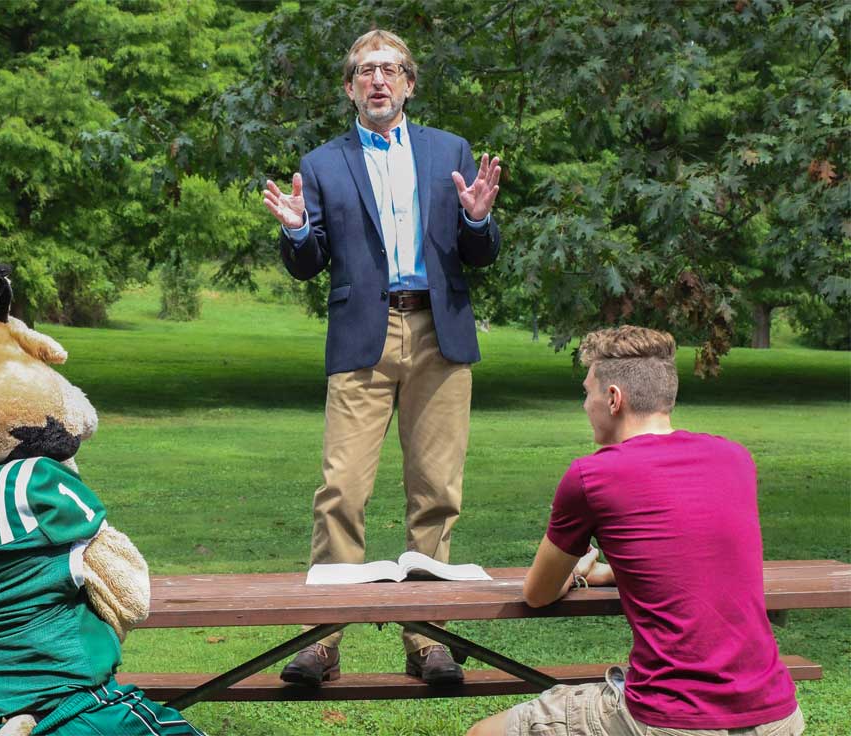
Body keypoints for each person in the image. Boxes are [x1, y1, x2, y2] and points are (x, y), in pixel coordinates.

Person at [262, 29, 502, 686]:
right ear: (349, 86)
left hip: (439, 332)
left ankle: (427, 641)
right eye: (365, 71)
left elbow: (479, 253)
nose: (378, 81)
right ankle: (325, 641)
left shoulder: (448, 151)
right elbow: (309, 265)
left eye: (390, 70)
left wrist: (478, 220)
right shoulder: (321, 164)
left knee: (436, 491)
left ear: (409, 83)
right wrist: (293, 231)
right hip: (363, 337)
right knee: (342, 491)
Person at [468, 325, 803, 736]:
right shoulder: (735, 458)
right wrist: (608, 572)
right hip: (775, 714)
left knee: (483, 733)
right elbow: (689, 558)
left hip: (671, 717)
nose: (584, 404)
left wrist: (577, 571)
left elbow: (536, 593)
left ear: (613, 399)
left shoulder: (592, 475)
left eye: (586, 392)